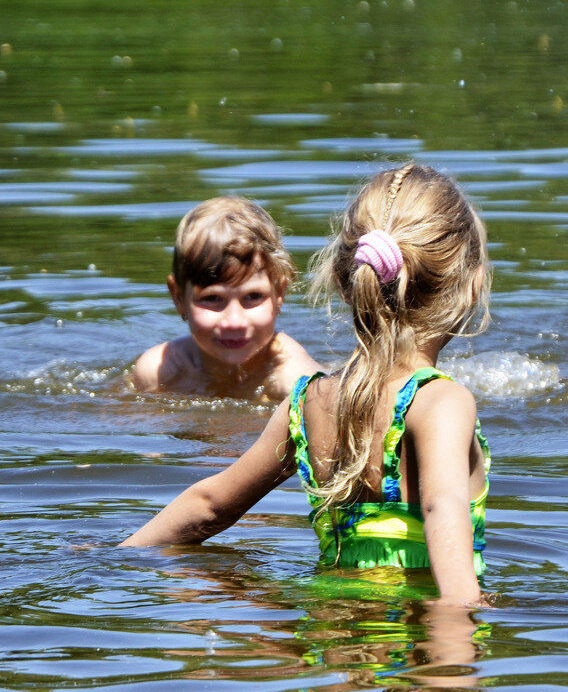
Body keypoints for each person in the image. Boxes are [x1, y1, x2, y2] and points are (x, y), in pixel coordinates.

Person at [121, 165, 493, 607]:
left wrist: (115, 557)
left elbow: (209, 505)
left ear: (343, 280)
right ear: (471, 286)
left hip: (329, 650)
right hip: (408, 651)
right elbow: (442, 511)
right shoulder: (441, 403)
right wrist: (454, 656)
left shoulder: (308, 401)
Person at [131, 195, 323, 402]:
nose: (234, 322)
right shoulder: (158, 373)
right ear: (178, 297)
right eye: (212, 298)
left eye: (253, 296)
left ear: (279, 295)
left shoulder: (294, 381)